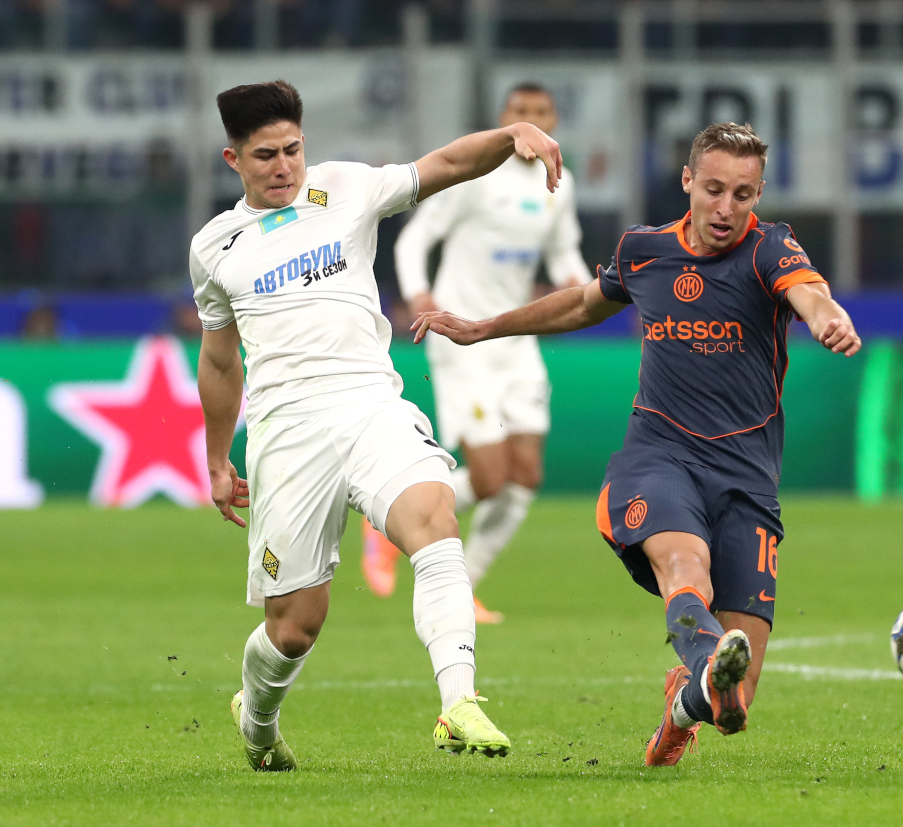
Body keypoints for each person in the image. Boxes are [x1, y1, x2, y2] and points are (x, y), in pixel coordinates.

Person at [412, 122, 861, 767]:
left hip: (746, 476)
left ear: (759, 196)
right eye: (713, 190)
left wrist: (828, 318)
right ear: (687, 181)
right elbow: (581, 305)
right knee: (685, 567)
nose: (726, 208)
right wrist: (486, 328)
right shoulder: (644, 251)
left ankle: (685, 704)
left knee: (733, 706)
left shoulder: (769, 249)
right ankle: (707, 656)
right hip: (659, 459)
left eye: (742, 195)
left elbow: (809, 293)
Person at [191, 79, 563, 770]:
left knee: (435, 519)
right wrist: (218, 460)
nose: (283, 166)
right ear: (233, 159)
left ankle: (459, 701)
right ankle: (258, 719)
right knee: (294, 627)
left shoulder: (346, 188)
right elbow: (218, 361)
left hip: (370, 404)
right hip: (287, 433)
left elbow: (445, 164)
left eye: (293, 149)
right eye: (265, 155)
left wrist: (510, 136)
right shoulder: (215, 247)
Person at [359, 83, 590, 623]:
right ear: (506, 118)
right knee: (488, 479)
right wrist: (420, 294)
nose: (531, 119)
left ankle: (467, 588)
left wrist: (585, 284)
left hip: (515, 338)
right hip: (462, 337)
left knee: (525, 476)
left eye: (540, 111)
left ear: (554, 120)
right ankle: (389, 526)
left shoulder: (561, 182)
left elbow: (562, 253)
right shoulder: (478, 174)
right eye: (520, 111)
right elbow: (414, 239)